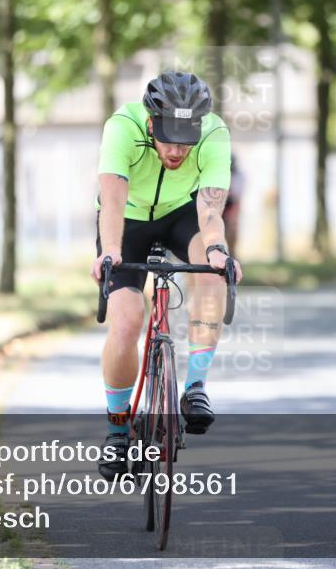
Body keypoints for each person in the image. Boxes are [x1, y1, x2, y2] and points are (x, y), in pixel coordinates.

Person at [90, 71, 243, 480]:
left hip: (181, 214)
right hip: (129, 220)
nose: (177, 151)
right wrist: (110, 251)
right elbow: (113, 197)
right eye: (168, 137)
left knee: (211, 274)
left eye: (185, 139)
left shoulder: (213, 133)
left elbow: (210, 211)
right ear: (151, 122)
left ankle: (195, 388)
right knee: (127, 320)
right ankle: (118, 429)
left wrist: (216, 249)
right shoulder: (122, 127)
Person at [222, 153, 245, 253]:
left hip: (230, 205)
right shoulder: (218, 173)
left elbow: (236, 198)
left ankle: (231, 254)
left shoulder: (239, 176)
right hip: (217, 204)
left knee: (231, 231)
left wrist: (232, 218)